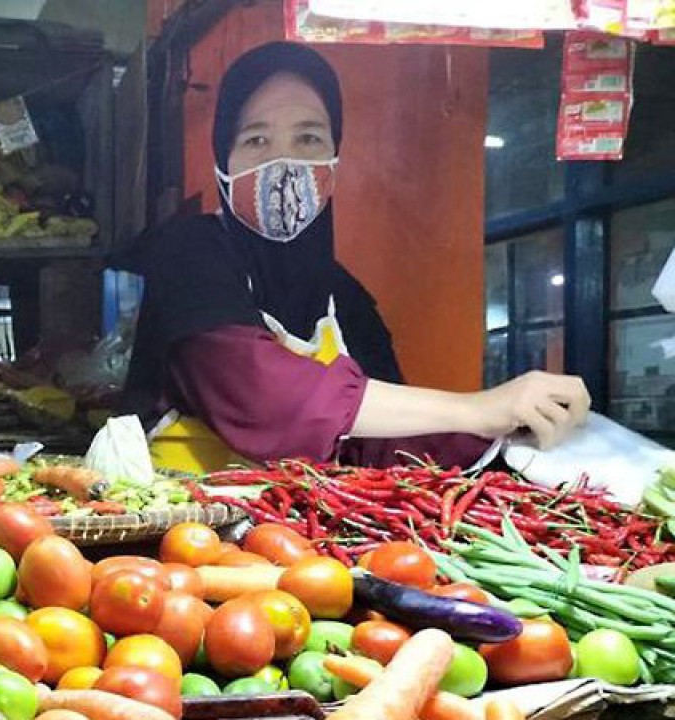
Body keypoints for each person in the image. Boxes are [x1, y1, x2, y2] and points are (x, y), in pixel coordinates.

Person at [114, 42, 590, 474]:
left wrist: (506, 434)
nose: (284, 162)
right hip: (185, 524)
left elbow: (385, 441)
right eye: (256, 140)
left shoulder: (344, 297)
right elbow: (260, 394)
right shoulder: (189, 254)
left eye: (309, 139)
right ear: (223, 158)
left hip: (296, 528)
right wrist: (477, 409)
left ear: (335, 158)